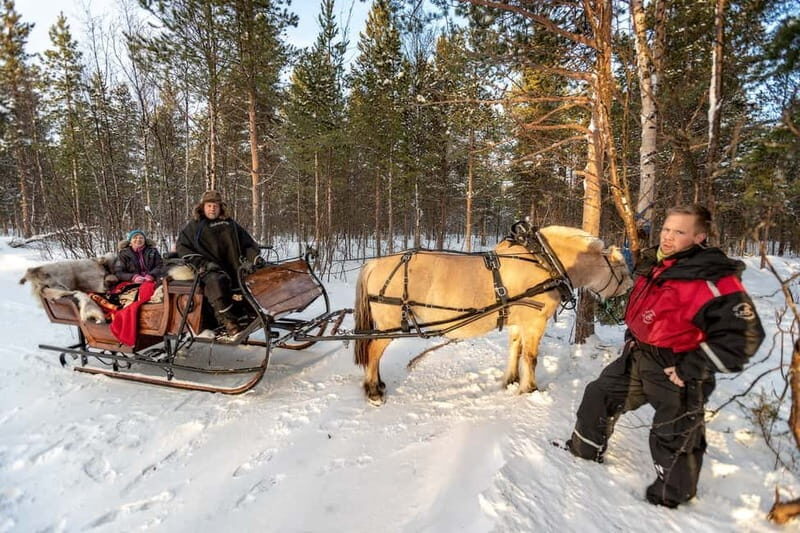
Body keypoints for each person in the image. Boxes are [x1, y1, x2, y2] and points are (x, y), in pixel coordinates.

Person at [566, 204, 765, 508]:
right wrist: (633, 336)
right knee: (598, 395)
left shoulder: (714, 278)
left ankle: (670, 500)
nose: (669, 237)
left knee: (673, 435)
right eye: (667, 229)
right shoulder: (654, 263)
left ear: (699, 237)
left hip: (679, 366)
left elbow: (745, 337)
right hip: (639, 356)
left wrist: (691, 367)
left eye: (680, 232)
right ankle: (583, 452)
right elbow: (644, 308)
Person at [176, 190, 263, 336]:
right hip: (207, 269)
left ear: (221, 207)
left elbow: (247, 244)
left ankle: (255, 311)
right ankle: (228, 321)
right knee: (216, 281)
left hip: (234, 266)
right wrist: (202, 263)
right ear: (203, 207)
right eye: (209, 205)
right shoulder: (194, 226)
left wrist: (255, 258)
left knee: (258, 274)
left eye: (215, 205)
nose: (212, 208)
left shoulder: (230, 224)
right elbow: (183, 247)